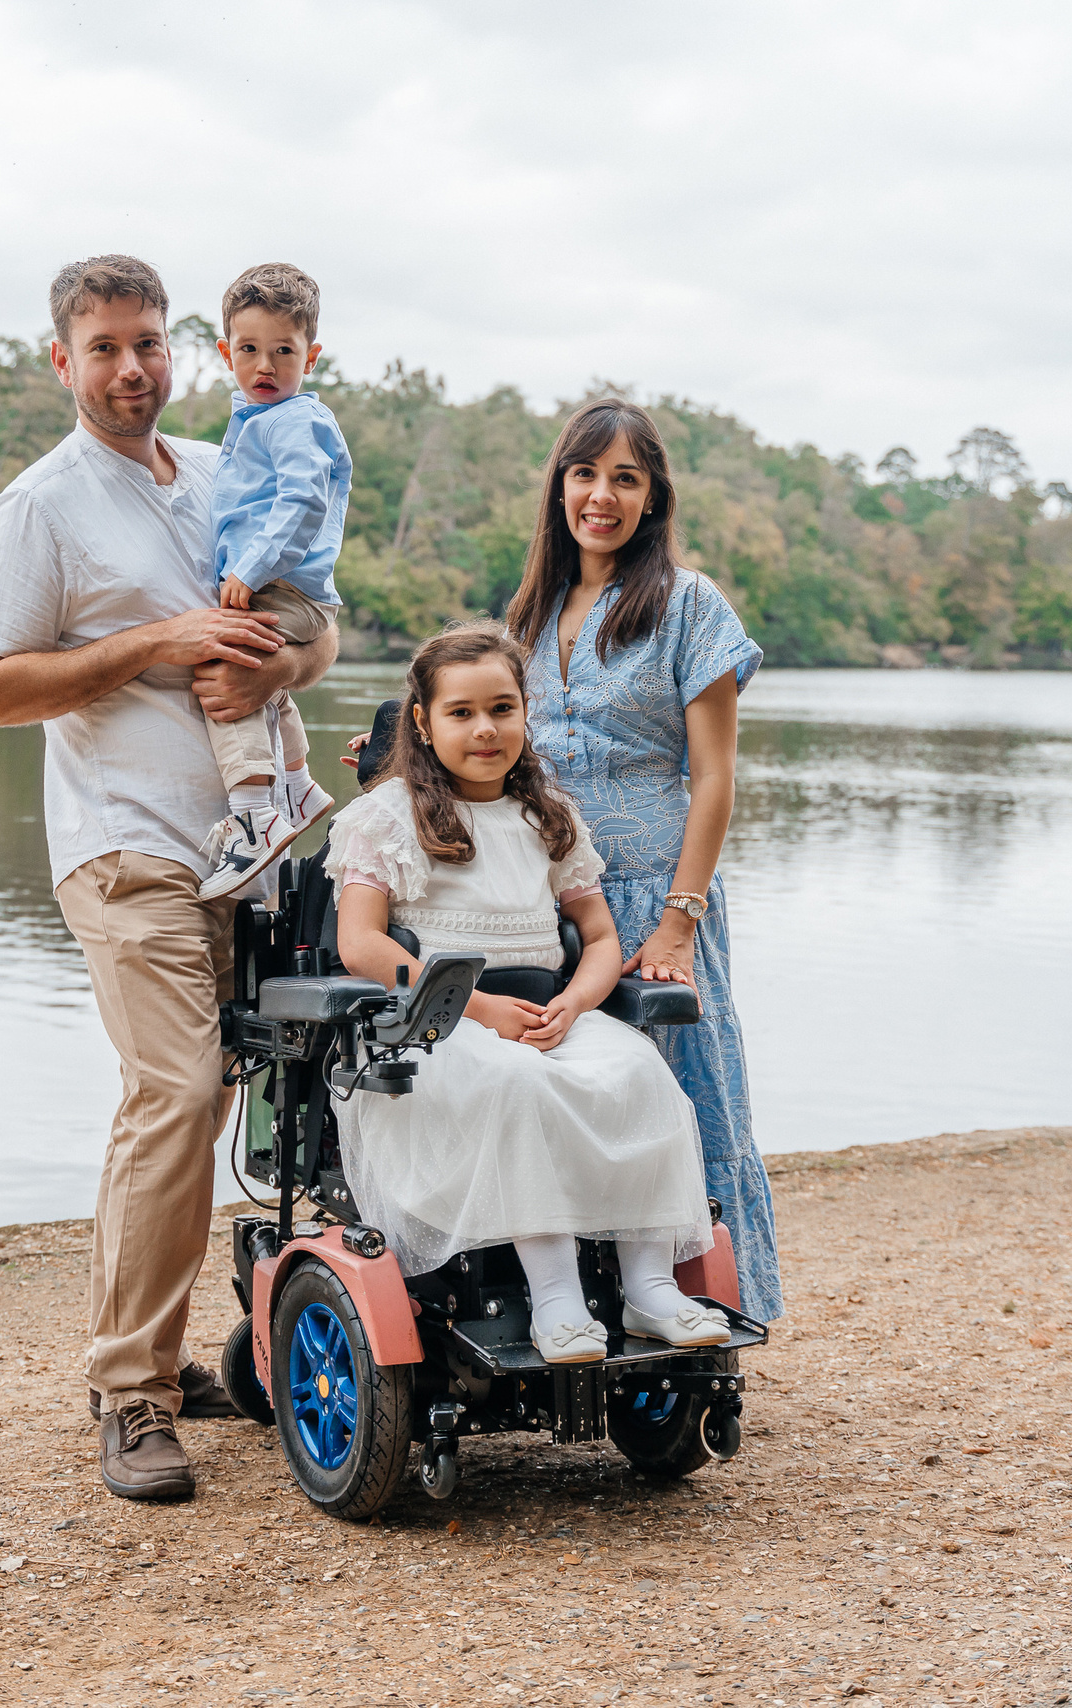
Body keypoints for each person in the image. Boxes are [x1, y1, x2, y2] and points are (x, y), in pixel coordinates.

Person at [0, 255, 340, 1502]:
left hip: (251, 843)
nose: (133, 369)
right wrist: (157, 644)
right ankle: (128, 1388)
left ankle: (191, 1353)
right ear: (61, 362)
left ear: (181, 354)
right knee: (174, 1090)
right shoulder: (40, 508)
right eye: (105, 347)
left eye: (150, 344)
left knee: (231, 1100)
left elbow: (318, 625)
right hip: (123, 849)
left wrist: (278, 669)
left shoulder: (233, 471)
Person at [327, 621, 730, 1364]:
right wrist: (476, 1007)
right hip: (435, 1023)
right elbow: (361, 943)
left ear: (524, 712)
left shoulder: (549, 815)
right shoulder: (386, 817)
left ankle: (649, 1287)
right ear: (423, 721)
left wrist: (576, 1003)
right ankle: (555, 1298)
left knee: (639, 1072)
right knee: (513, 1084)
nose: (485, 729)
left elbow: (601, 939)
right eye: (461, 713)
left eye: (503, 709)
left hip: (549, 1009)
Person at [505, 397, 783, 1322]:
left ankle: (722, 1306)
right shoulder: (533, 610)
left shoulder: (688, 604)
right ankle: (580, 1311)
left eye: (626, 478)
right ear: (560, 486)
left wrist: (679, 916)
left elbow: (714, 779)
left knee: (684, 1099)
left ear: (653, 495)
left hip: (658, 899)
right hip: (555, 899)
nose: (602, 496)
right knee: (575, 1102)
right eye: (586, 474)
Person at [193, 263, 351, 901]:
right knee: (264, 678)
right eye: (250, 350)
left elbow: (302, 503)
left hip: (283, 588)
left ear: (309, 356)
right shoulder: (255, 421)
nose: (265, 365)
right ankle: (296, 782)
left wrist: (247, 571)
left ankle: (255, 816)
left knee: (223, 657)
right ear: (226, 352)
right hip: (286, 590)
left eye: (283, 351)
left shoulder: (292, 420)